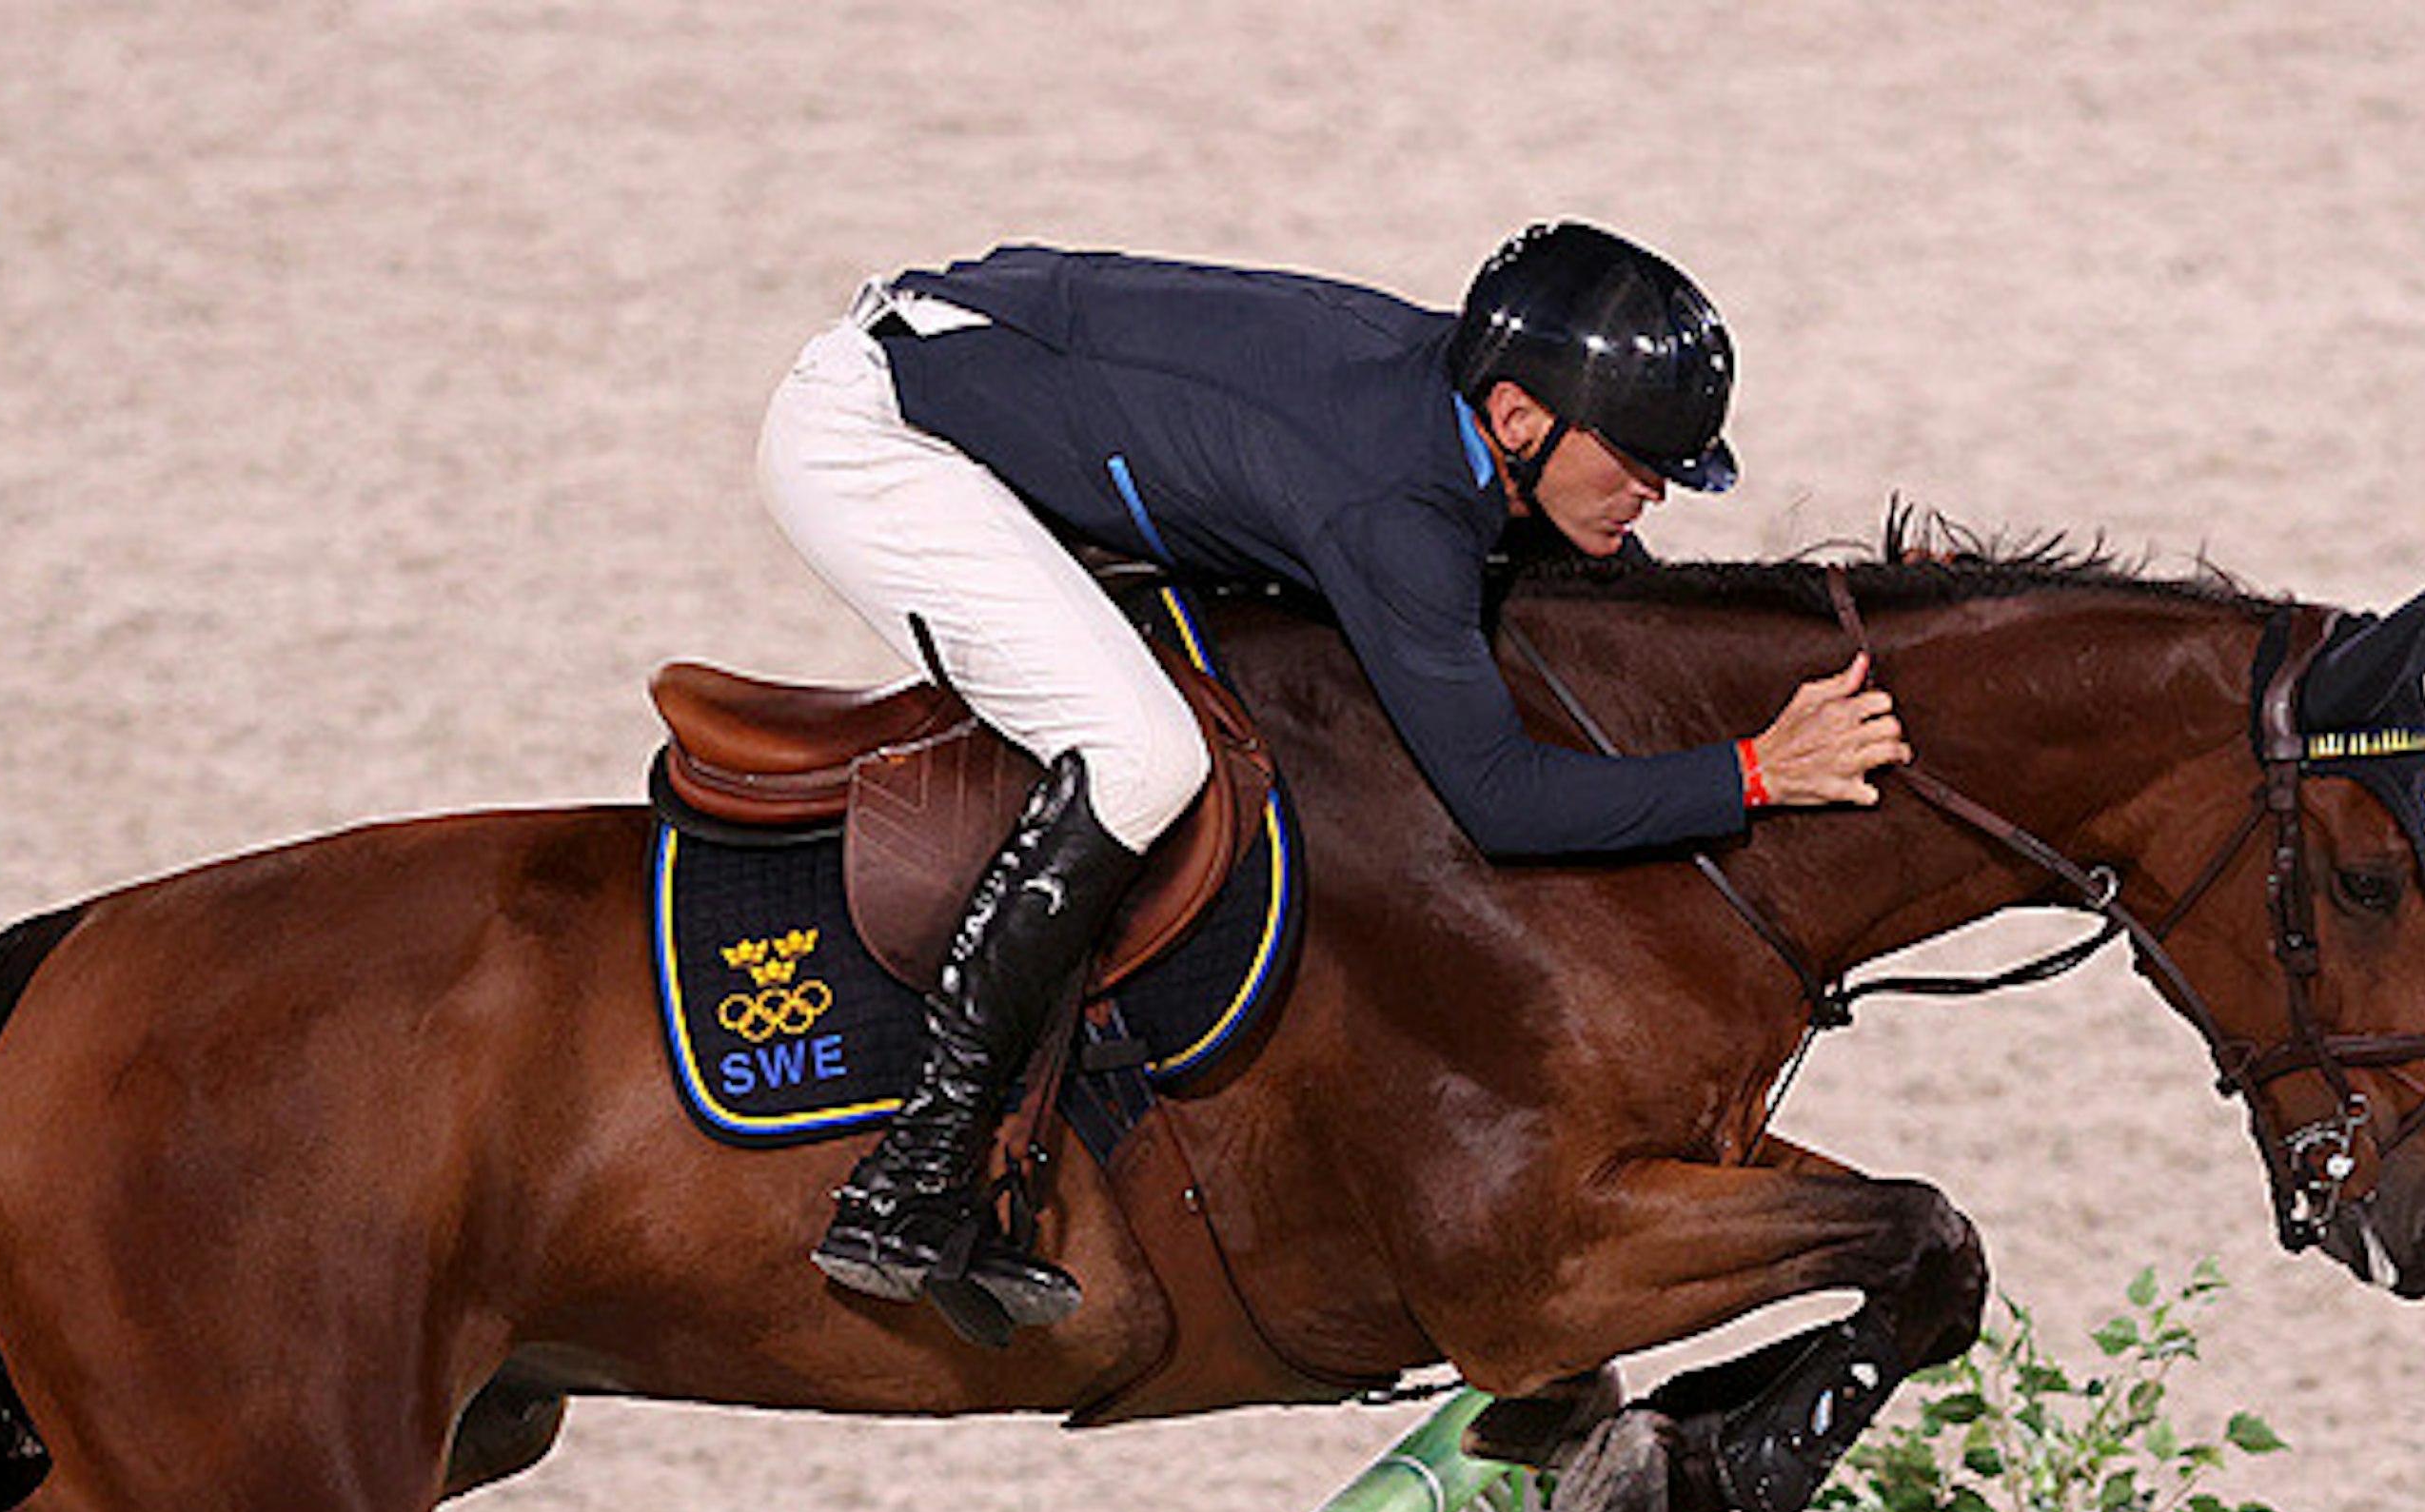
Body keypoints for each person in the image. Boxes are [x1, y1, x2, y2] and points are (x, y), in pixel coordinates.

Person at [757, 221, 1907, 1330]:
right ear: (1517, 416)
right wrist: (1753, 772)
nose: (1654, 493)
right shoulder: (1391, 504)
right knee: (1143, 753)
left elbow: (1625, 607)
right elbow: (1502, 801)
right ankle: (916, 1172)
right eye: (1638, 464)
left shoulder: (1478, 420)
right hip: (879, 449)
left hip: (993, 362)